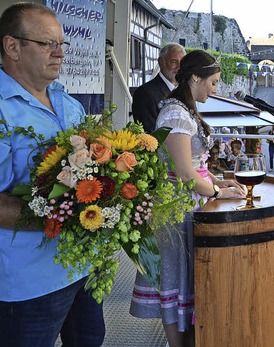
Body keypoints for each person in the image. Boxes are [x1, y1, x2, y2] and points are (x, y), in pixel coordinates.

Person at [0, 4, 106, 346]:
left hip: (81, 267)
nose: (60, 53)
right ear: (13, 47)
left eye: (62, 43)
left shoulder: (68, 103)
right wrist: (63, 218)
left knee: (90, 340)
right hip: (28, 282)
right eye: (48, 44)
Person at [129, 50, 245, 347]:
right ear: (195, 77)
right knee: (175, 280)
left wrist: (218, 179)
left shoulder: (183, 108)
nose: (215, 89)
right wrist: (219, 192)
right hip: (175, 210)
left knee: (186, 281)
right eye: (214, 82)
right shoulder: (176, 114)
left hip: (187, 206)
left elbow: (196, 166)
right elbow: (183, 173)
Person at [132, 43, 186, 133]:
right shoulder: (145, 93)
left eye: (182, 63)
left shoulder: (183, 91)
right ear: (161, 62)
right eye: (174, 62)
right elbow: (150, 134)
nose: (179, 67)